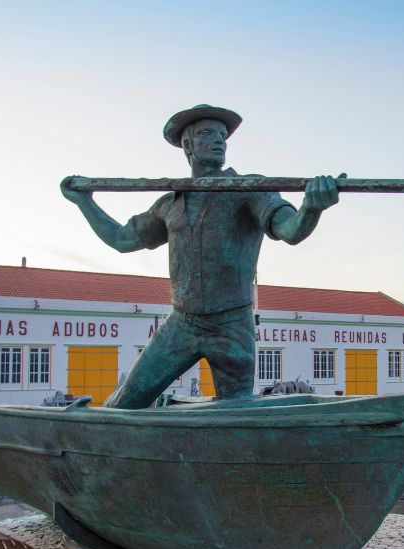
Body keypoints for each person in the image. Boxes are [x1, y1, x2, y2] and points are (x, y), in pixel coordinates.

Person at [60, 105, 342, 409]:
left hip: (232, 326)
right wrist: (84, 203)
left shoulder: (249, 189)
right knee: (123, 406)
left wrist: (312, 208)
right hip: (182, 323)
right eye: (208, 133)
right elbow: (121, 239)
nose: (220, 140)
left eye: (223, 135)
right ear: (188, 145)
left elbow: (290, 230)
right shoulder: (168, 204)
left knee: (234, 418)